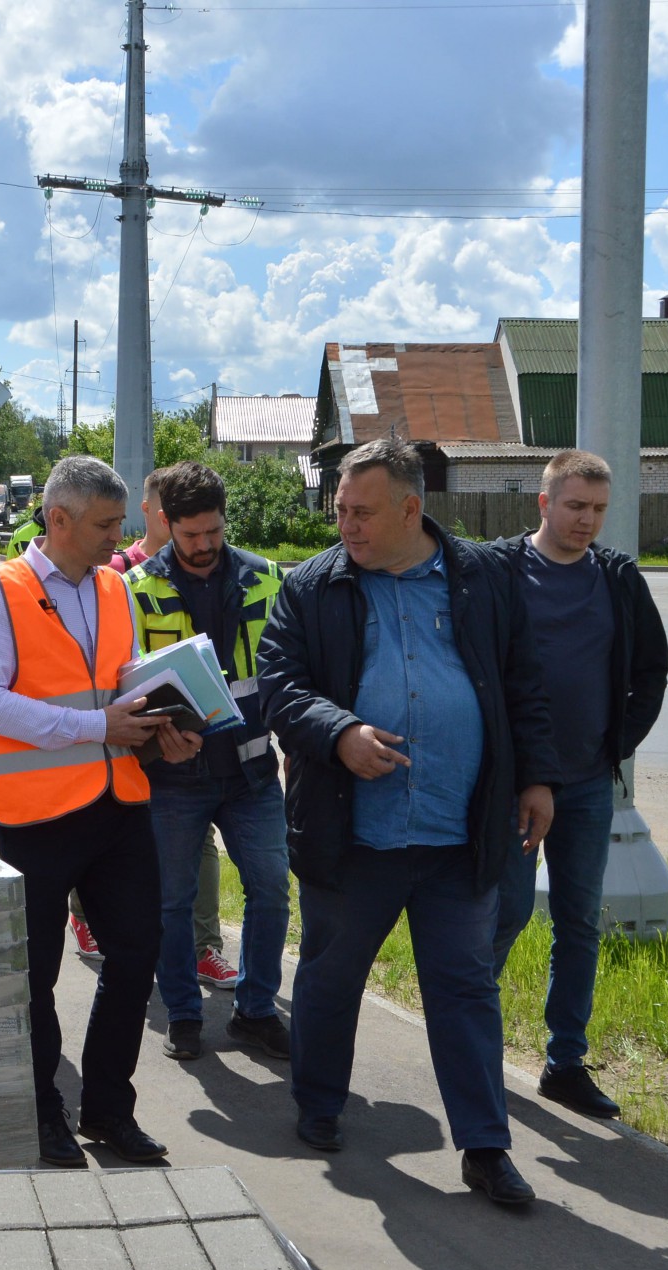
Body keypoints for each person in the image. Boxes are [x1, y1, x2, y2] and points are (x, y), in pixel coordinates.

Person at [259, 437, 559, 1207]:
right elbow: (280, 687)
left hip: (460, 831)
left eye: (361, 513)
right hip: (354, 831)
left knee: (464, 991)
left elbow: (524, 681)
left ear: (410, 509)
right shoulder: (312, 587)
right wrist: (340, 732)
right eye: (339, 511)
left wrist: (537, 779)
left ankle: (485, 1147)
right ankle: (320, 1105)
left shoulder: (482, 578)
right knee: (331, 978)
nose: (346, 527)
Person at [0, 454, 200, 1168]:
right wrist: (99, 728)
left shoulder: (114, 588)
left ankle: (107, 1110)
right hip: (36, 815)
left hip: (119, 800)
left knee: (135, 954)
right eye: (103, 525)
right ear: (57, 519)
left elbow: (118, 682)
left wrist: (166, 726)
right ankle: (42, 1113)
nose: (115, 538)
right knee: (36, 973)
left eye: (120, 524)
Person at [488, 449, 668, 1119]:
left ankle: (565, 1061)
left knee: (578, 922)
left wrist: (616, 744)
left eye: (597, 509)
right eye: (574, 506)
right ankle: (472, 1047)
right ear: (543, 504)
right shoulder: (502, 570)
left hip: (590, 782)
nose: (587, 520)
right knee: (502, 914)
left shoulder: (618, 578)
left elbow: (651, 670)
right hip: (513, 783)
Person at [126, 461, 291, 1063]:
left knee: (271, 891)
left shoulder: (267, 579)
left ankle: (255, 1011)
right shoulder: (135, 589)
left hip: (251, 773)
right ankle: (185, 1014)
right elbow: (120, 687)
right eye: (191, 535)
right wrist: (156, 734)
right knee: (172, 900)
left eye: (214, 533)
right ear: (166, 523)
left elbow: (288, 674)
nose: (203, 546)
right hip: (172, 778)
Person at [59, 470, 238, 991]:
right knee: (112, 845)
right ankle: (88, 915)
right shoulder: (117, 573)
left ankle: (202, 948)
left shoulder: (211, 568)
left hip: (182, 742)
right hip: (117, 745)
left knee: (194, 847)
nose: (121, 528)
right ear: (160, 516)